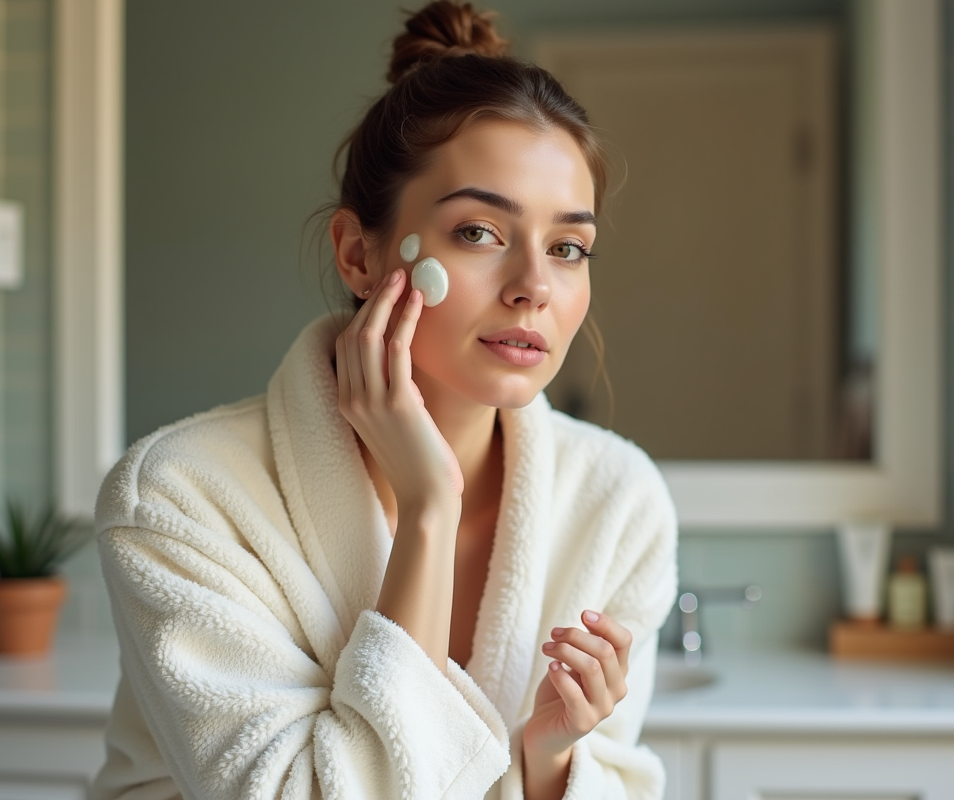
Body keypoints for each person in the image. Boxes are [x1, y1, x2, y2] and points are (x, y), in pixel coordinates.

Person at [90, 2, 678, 798]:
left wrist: (551, 763)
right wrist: (428, 507)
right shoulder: (180, 497)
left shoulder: (618, 501)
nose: (534, 287)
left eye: (568, 247)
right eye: (478, 232)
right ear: (358, 253)